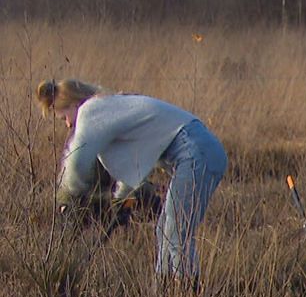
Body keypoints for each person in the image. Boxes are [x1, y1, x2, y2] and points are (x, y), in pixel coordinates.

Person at [36, 79, 227, 284]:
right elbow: (133, 162)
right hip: (200, 149)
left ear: (74, 104)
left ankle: (187, 294)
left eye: (64, 116)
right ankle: (164, 294)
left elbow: (77, 161)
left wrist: (67, 196)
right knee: (165, 229)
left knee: (176, 231)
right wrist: (121, 198)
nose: (67, 124)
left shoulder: (91, 111)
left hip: (196, 150)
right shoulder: (111, 106)